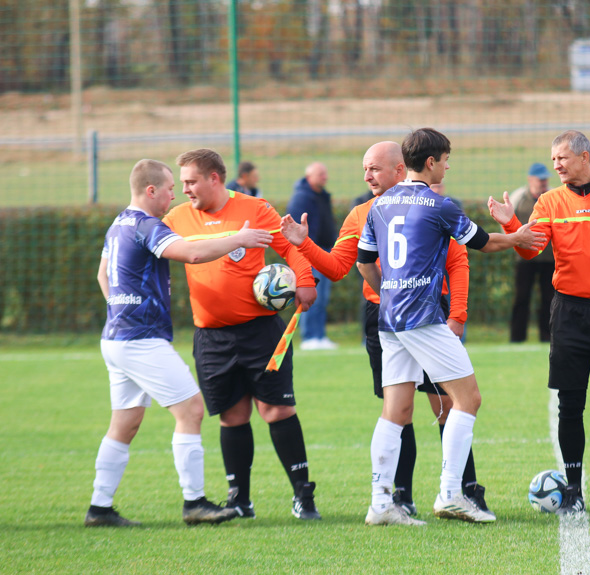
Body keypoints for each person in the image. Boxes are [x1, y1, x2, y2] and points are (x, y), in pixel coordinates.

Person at [281, 141, 492, 517]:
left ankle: (466, 490)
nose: (366, 176)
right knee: (402, 408)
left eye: (374, 169)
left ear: (399, 170)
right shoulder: (361, 213)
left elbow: (458, 262)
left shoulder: (427, 205)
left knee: (445, 404)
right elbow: (336, 267)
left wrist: (457, 315)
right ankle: (401, 497)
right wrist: (305, 245)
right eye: (364, 169)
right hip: (387, 317)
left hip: (429, 313)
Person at [356, 128, 545, 526]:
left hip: (390, 319)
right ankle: (451, 493)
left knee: (397, 409)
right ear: (430, 162)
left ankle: (379, 503)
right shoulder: (438, 204)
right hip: (422, 317)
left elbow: (364, 261)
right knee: (468, 398)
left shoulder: (380, 205)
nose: (447, 166)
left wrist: (390, 293)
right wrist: (518, 235)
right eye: (445, 159)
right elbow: (483, 244)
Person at [86, 159, 274, 527]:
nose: (176, 195)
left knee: (124, 423)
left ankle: (99, 508)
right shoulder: (145, 225)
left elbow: (101, 274)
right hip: (141, 339)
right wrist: (241, 238)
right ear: (151, 190)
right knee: (190, 411)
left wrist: (118, 310)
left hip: (116, 337)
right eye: (171, 188)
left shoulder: (118, 223)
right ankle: (194, 503)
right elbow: (192, 253)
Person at [488, 130, 590, 514]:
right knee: (570, 405)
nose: (557, 166)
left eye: (562, 158)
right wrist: (511, 221)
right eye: (553, 161)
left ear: (585, 156)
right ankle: (574, 490)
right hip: (569, 315)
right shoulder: (548, 201)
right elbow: (532, 251)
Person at [162, 148, 321, 521]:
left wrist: (306, 280)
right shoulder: (176, 218)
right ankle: (240, 500)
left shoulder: (255, 209)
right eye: (181, 183)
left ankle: (303, 494)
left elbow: (290, 248)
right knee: (232, 416)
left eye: (190, 181)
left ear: (213, 178)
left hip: (261, 331)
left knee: (277, 408)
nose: (184, 189)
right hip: (211, 337)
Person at [288, 162, 338, 350]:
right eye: (321, 174)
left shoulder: (322, 196)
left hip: (324, 252)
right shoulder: (302, 198)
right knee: (310, 294)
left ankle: (320, 335)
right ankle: (309, 336)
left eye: (325, 173)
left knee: (322, 297)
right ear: (309, 176)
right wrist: (307, 250)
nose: (325, 177)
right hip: (309, 254)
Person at [508, 162, 554, 343]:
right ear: (530, 179)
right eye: (540, 179)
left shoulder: (553, 196)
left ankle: (547, 337)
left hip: (550, 258)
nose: (543, 183)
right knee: (522, 297)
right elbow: (507, 224)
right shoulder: (519, 197)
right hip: (524, 258)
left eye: (545, 179)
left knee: (549, 299)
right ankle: (517, 338)